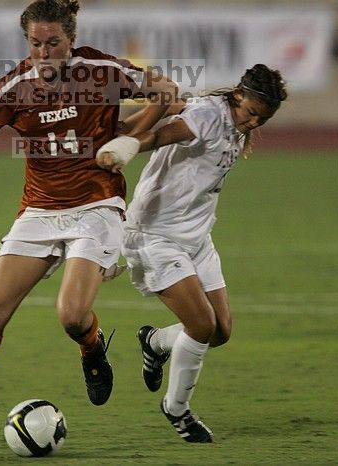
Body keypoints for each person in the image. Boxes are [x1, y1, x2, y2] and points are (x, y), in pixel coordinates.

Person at [0, 0, 177, 450]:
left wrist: (128, 138)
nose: (44, 52)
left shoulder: (101, 71)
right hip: (39, 212)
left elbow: (168, 91)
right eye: (35, 43)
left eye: (53, 43)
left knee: (71, 316)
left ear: (71, 41)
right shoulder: (15, 85)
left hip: (97, 207)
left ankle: (91, 344)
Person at [96, 64, 287, 443]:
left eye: (261, 119)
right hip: (155, 235)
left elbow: (177, 107)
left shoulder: (230, 120)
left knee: (221, 332)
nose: (253, 123)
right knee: (201, 326)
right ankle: (177, 409)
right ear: (238, 95)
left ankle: (155, 342)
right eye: (251, 112)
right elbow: (167, 133)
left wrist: (137, 124)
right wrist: (131, 142)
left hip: (197, 238)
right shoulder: (208, 116)